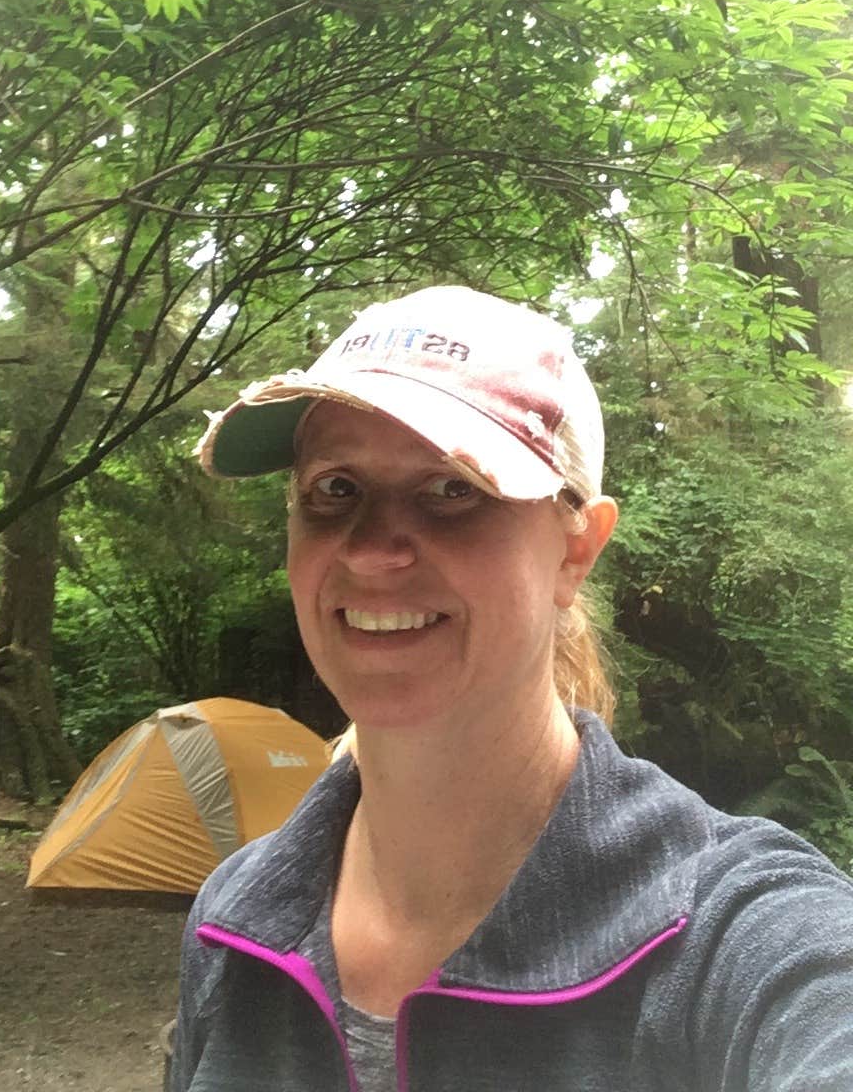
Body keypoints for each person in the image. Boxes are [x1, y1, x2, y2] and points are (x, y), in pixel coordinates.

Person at [171, 285, 853, 1092]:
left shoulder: (732, 934)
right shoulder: (233, 923)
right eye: (336, 490)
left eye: (452, 488)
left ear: (576, 549)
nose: (371, 551)